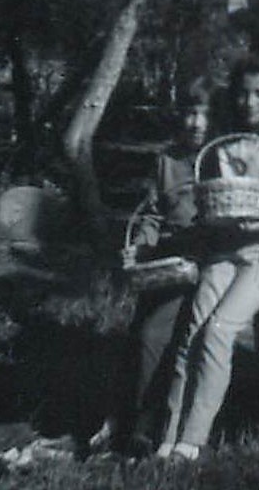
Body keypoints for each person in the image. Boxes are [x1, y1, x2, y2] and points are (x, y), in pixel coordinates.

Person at [158, 54, 259, 462]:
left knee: (219, 330)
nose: (250, 102)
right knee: (192, 333)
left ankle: (193, 438)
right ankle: (168, 433)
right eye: (243, 93)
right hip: (225, 248)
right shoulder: (226, 142)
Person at [90, 76, 218, 457]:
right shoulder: (167, 161)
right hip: (168, 257)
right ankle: (122, 416)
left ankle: (146, 424)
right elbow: (153, 213)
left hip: (205, 259)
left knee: (153, 335)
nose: (196, 123)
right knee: (138, 331)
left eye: (205, 114)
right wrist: (141, 244)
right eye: (190, 113)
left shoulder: (220, 159)